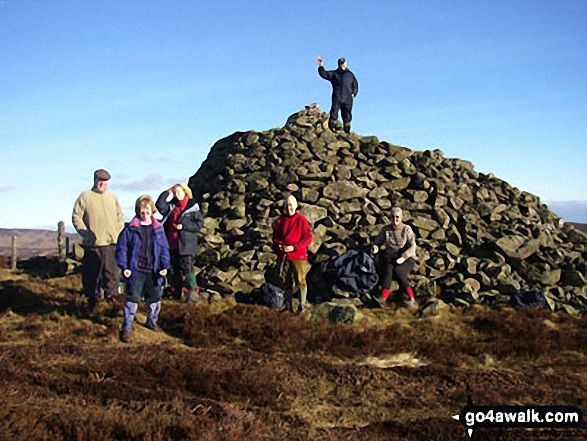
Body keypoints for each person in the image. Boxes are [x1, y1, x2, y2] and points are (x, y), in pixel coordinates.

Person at [115, 195, 170, 343]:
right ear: (138, 210)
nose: (144, 212)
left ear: (151, 209)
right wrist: (124, 267)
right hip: (136, 269)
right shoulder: (129, 229)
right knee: (132, 298)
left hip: (154, 270)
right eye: (141, 209)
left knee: (155, 297)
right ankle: (127, 327)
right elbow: (121, 249)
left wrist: (164, 266)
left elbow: (164, 248)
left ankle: (151, 322)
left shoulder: (158, 228)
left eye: (147, 209)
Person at [72, 169, 124, 311]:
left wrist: (118, 232)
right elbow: (76, 217)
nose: (102, 184)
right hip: (93, 244)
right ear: (95, 180)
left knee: (112, 273)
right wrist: (86, 233)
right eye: (100, 181)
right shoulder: (85, 196)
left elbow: (120, 216)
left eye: (105, 182)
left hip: (111, 243)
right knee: (91, 274)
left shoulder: (112, 197)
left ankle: (111, 299)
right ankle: (91, 300)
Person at [156, 183, 204, 303]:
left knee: (187, 267)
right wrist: (168, 191)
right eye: (175, 192)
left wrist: (184, 226)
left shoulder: (193, 207)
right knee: (173, 269)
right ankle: (177, 292)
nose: (177, 194)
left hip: (186, 244)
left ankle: (192, 292)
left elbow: (198, 224)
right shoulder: (171, 206)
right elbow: (159, 205)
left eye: (179, 192)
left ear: (185, 192)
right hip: (171, 243)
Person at [272, 195, 313, 313]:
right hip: (283, 255)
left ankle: (302, 306)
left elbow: (308, 237)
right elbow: (275, 237)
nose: (289, 208)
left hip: (298, 256)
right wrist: (280, 245)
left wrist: (295, 247)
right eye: (287, 205)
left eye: (291, 205)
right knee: (285, 280)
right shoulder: (280, 220)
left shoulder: (301, 220)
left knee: (300, 280)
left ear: (295, 206)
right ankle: (288, 306)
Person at [372, 207, 418, 309]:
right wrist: (375, 248)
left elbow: (413, 246)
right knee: (388, 271)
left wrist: (404, 257)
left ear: (401, 217)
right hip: (391, 257)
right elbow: (377, 242)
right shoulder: (386, 229)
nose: (395, 219)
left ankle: (411, 298)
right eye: (392, 217)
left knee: (398, 271)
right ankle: (383, 297)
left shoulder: (407, 229)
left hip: (407, 258)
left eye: (397, 217)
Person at [316, 55, 359, 133]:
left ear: (346, 63)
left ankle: (347, 130)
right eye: (341, 63)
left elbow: (355, 85)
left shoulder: (350, 75)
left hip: (348, 98)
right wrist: (321, 65)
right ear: (339, 64)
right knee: (334, 112)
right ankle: (332, 128)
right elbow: (324, 74)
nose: (342, 64)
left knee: (347, 114)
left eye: (343, 63)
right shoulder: (335, 74)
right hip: (337, 97)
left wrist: (354, 94)